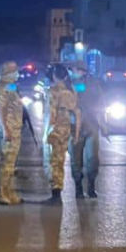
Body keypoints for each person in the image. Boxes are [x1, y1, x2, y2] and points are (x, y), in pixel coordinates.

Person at [0, 61, 30, 205]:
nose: (17, 73)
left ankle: (9, 192)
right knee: (7, 162)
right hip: (8, 130)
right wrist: (5, 129)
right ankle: (2, 193)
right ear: (7, 72)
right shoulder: (2, 87)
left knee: (11, 164)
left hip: (14, 128)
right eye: (15, 70)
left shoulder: (11, 85)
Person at [71, 64, 109, 198]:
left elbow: (101, 104)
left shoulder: (93, 85)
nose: (74, 72)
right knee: (77, 160)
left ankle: (90, 187)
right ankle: (78, 188)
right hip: (74, 127)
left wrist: (103, 124)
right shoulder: (67, 85)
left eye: (77, 70)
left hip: (90, 126)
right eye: (74, 70)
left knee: (92, 159)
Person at [44, 63, 80, 205]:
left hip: (56, 129)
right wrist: (76, 133)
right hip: (66, 129)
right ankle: (57, 192)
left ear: (54, 76)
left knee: (55, 162)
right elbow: (76, 112)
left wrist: (48, 130)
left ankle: (56, 194)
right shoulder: (71, 91)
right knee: (60, 159)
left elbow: (51, 113)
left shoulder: (53, 91)